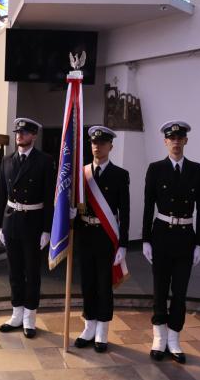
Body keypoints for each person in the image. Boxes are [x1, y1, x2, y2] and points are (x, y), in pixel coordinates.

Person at [142, 120, 200, 364]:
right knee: (160, 290)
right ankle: (159, 338)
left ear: (185, 141)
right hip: (161, 236)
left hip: (185, 238)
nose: (176, 142)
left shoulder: (197, 170)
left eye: (180, 138)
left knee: (180, 292)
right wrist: (146, 239)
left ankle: (174, 339)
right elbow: (148, 206)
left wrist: (199, 243)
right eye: (172, 139)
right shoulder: (155, 169)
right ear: (165, 142)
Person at [0, 118, 54, 338]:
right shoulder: (7, 160)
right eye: (18, 132)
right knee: (14, 271)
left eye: (25, 132)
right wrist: (0, 225)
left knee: (32, 272)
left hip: (33, 223)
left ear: (34, 136)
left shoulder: (45, 161)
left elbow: (49, 197)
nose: (19, 135)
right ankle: (16, 314)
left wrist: (47, 229)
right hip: (11, 222)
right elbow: (1, 195)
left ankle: (29, 317)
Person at [74, 126, 130, 353]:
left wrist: (123, 244)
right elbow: (75, 203)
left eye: (103, 143)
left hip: (107, 237)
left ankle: (102, 330)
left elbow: (125, 212)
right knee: (87, 282)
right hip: (85, 234)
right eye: (94, 143)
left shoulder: (120, 175)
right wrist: (71, 214)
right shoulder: (82, 173)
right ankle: (89, 326)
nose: (97, 146)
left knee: (104, 285)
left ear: (111, 147)